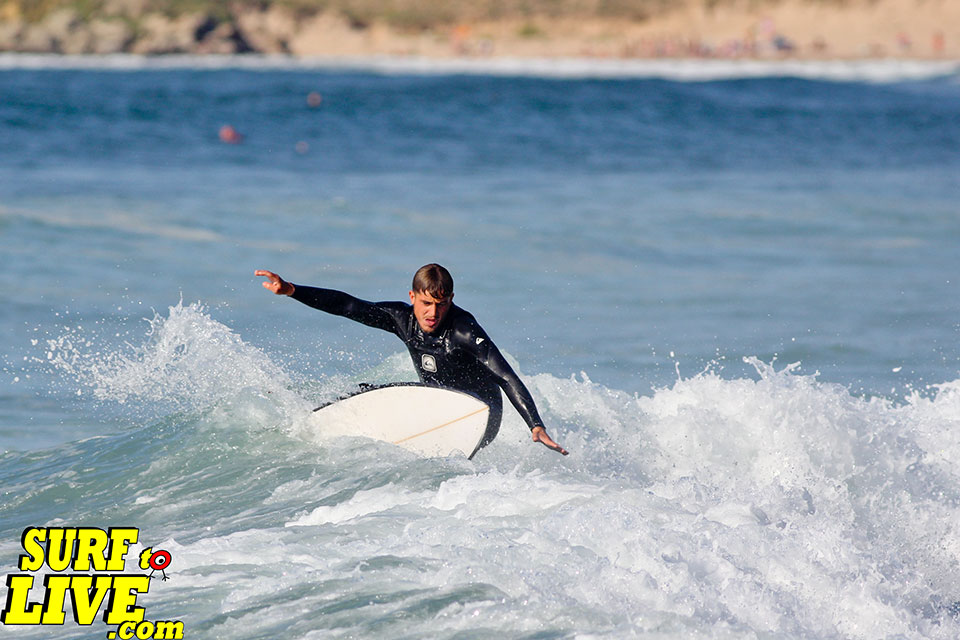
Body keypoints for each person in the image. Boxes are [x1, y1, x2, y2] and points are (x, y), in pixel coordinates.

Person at [255, 265, 568, 456]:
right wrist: (293, 290)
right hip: (435, 404)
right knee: (366, 390)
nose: (433, 313)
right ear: (412, 297)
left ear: (451, 300)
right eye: (426, 303)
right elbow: (349, 306)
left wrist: (535, 424)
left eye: (441, 304)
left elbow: (505, 376)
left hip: (479, 412)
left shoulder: (464, 330)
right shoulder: (401, 319)